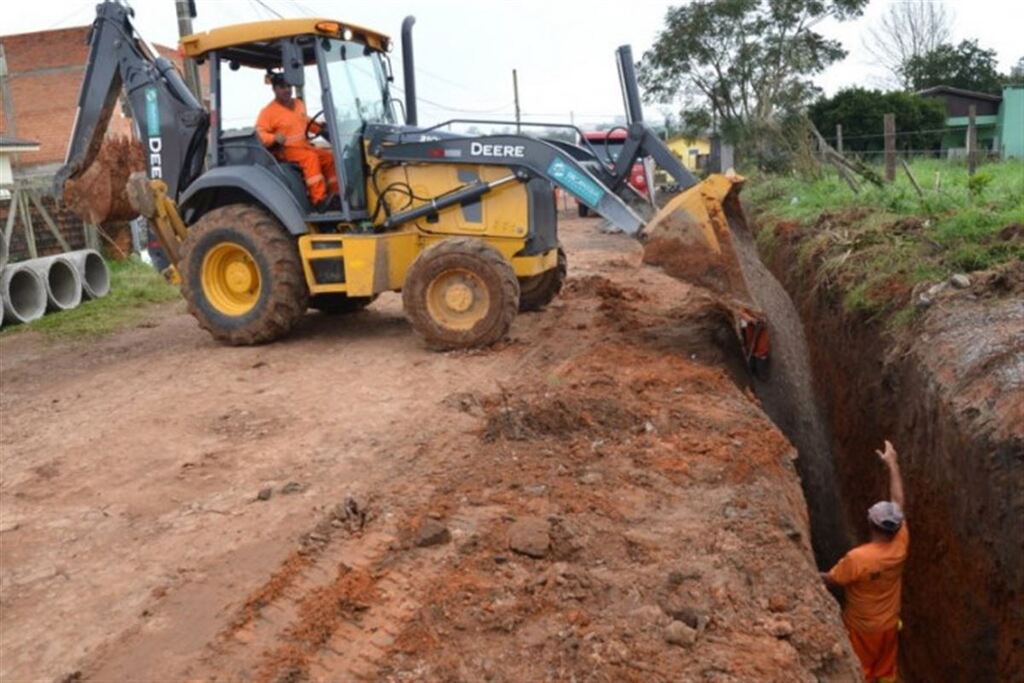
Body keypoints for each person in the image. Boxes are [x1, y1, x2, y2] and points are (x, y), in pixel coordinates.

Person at [822, 440, 908, 683]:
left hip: (862, 630)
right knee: (887, 671)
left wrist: (805, 573)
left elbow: (831, 579)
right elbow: (899, 502)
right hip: (890, 625)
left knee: (863, 673)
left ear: (871, 524)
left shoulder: (858, 559)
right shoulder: (901, 542)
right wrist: (893, 464)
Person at [255, 73, 339, 211]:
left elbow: (305, 121)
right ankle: (319, 200)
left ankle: (335, 195)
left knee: (329, 158)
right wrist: (274, 138)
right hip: (286, 151)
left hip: (304, 146)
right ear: (274, 89)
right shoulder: (268, 112)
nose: (287, 90)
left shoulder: (299, 104)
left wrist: (321, 130)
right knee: (310, 159)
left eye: (289, 86)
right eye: (282, 87)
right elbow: (260, 134)